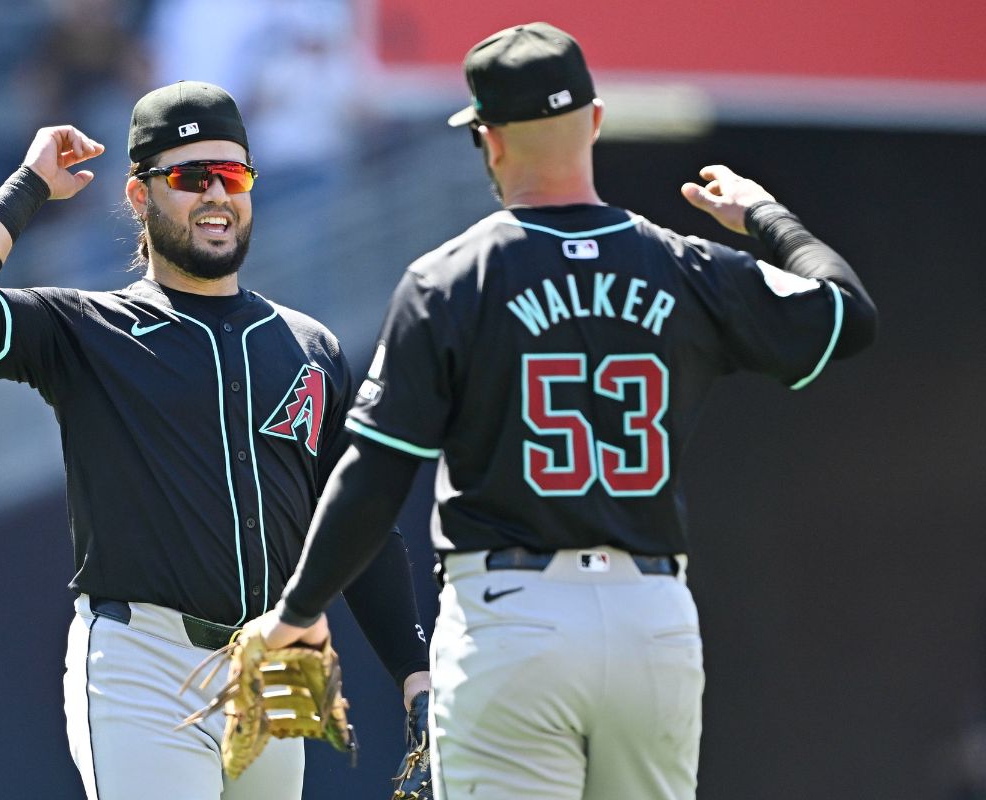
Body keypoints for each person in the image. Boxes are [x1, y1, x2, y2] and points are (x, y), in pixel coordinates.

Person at [255, 21, 877, 800]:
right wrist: (762, 216)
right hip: (653, 619)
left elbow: (376, 474)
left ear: (488, 138)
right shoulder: (686, 265)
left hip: (512, 619)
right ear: (595, 120)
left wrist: (299, 610)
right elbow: (848, 314)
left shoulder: (451, 278)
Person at [0, 80, 430, 800]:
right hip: (146, 657)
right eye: (189, 176)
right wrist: (29, 186)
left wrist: (415, 675)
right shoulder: (88, 330)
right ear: (139, 196)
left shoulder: (311, 344)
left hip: (277, 663)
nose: (217, 193)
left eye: (233, 174)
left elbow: (359, 523)